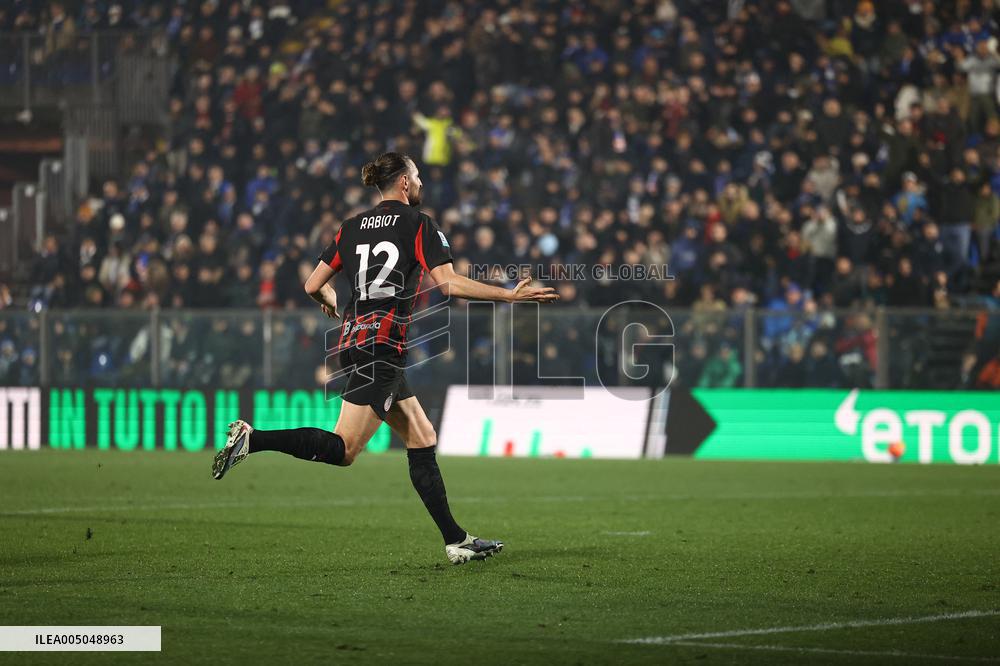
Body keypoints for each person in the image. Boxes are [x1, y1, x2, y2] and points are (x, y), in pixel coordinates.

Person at [212, 152, 559, 565]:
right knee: (344, 449)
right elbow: (447, 284)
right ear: (406, 184)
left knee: (421, 434)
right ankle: (253, 439)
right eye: (418, 176)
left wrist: (327, 296)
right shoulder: (419, 224)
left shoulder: (350, 227)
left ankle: (456, 539)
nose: (422, 183)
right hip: (382, 349)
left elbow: (311, 283)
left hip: (355, 342)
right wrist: (507, 295)